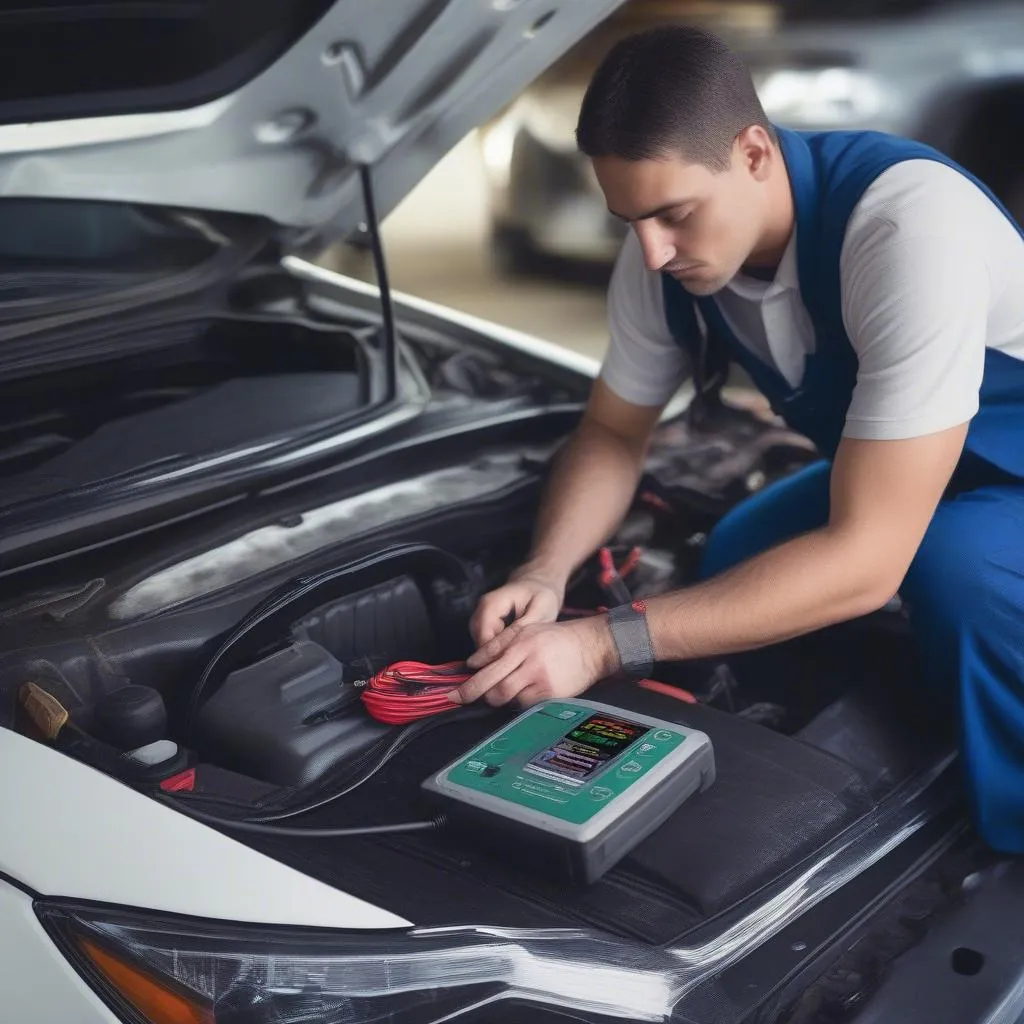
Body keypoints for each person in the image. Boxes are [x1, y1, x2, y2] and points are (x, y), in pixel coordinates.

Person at [451, 26, 1024, 853]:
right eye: (631, 219)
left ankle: (1008, 839)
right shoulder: (665, 253)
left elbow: (868, 564)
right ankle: (887, 720)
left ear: (754, 153)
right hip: (918, 468)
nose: (651, 251)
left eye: (674, 214)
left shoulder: (906, 228)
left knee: (952, 569)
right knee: (735, 556)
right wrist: (545, 572)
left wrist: (598, 642)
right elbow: (614, 432)